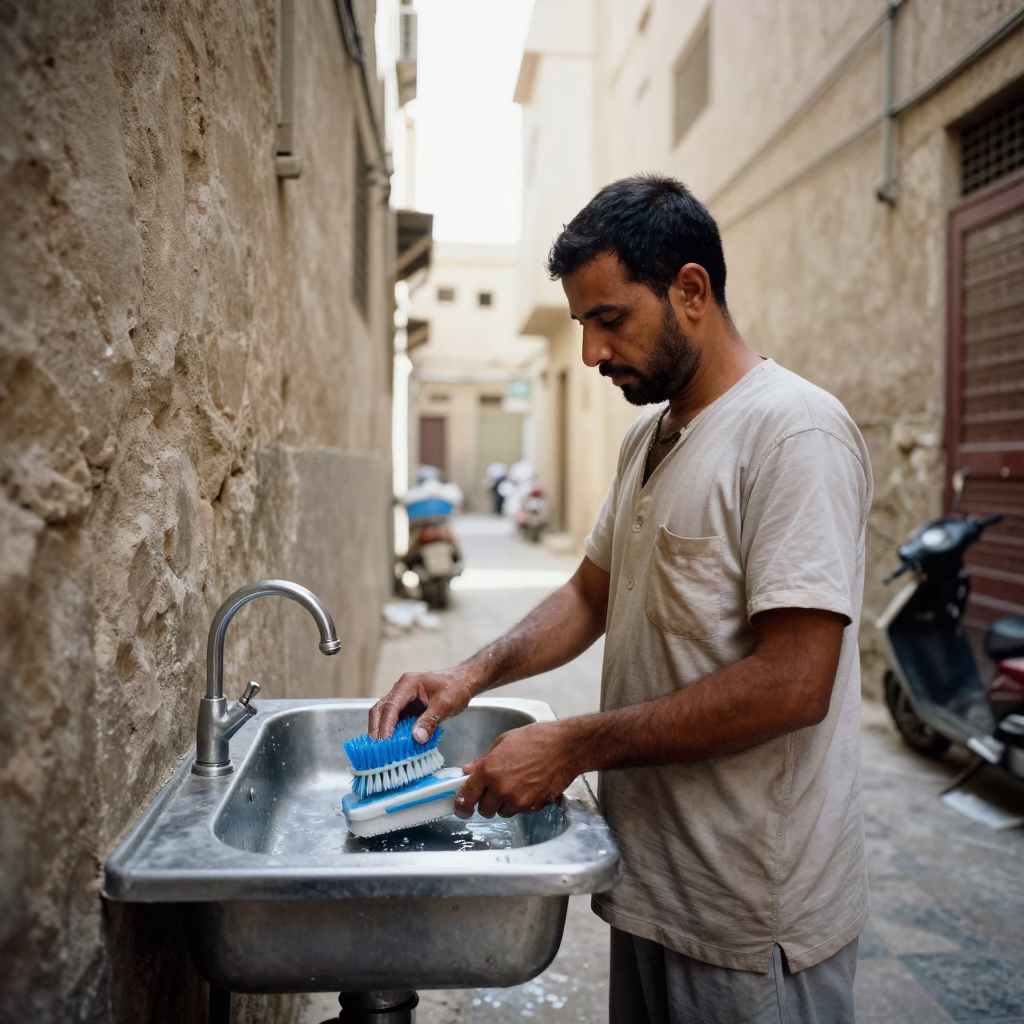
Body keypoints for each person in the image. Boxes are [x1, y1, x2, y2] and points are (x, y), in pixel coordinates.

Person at [369, 175, 872, 1024]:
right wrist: (469, 673)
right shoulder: (653, 435)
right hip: (652, 889)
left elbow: (795, 682)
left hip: (750, 920)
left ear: (691, 290)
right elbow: (589, 594)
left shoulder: (795, 434)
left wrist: (571, 745)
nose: (591, 354)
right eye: (581, 326)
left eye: (610, 319)